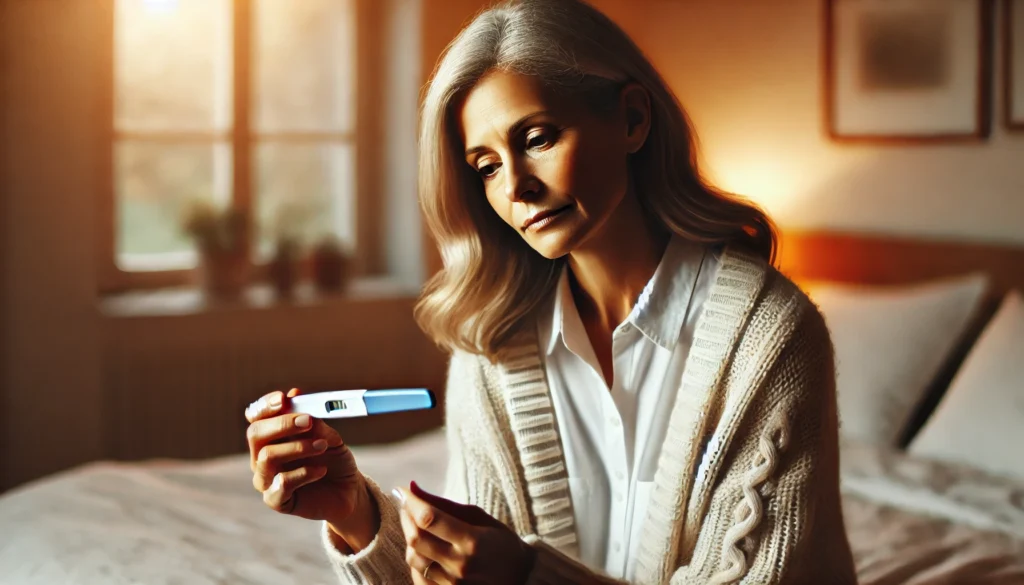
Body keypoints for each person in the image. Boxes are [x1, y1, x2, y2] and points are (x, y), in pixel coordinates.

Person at [244, 0, 857, 583]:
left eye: (537, 138)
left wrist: (529, 578)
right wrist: (354, 515)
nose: (516, 188)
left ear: (633, 120)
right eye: (485, 166)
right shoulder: (493, 342)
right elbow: (469, 571)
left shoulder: (771, 339)